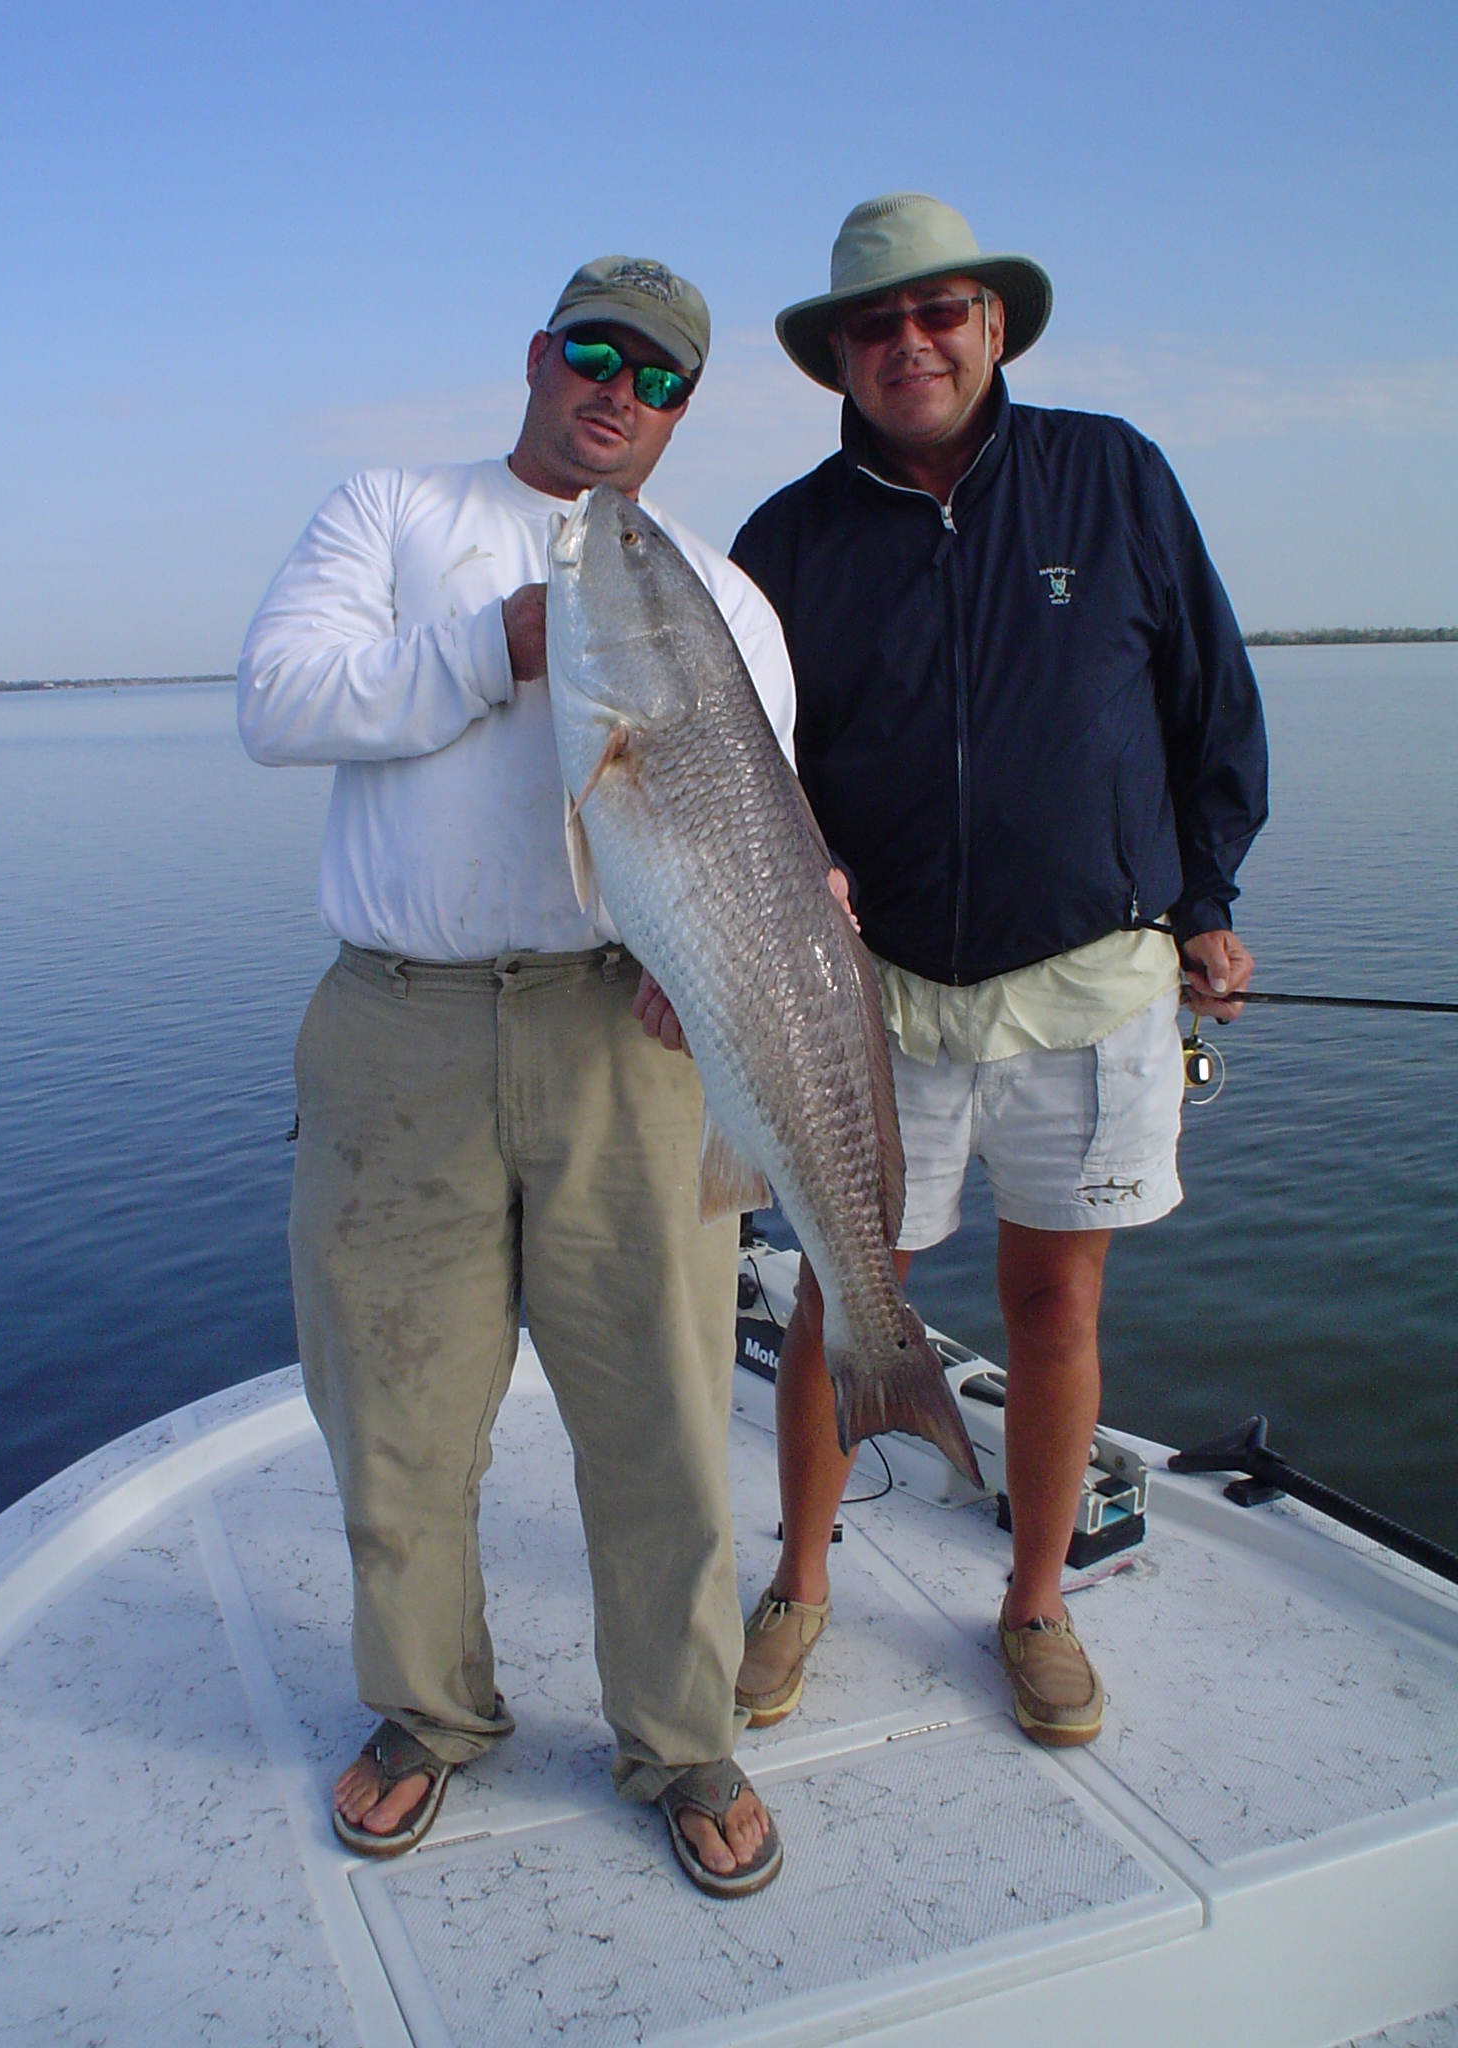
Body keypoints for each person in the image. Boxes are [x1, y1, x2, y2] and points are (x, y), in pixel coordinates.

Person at [236, 254, 795, 1896]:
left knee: (668, 1419)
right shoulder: (393, 513)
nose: (622, 391)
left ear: (685, 412)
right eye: (599, 353)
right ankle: (426, 1716)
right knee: (394, 1407)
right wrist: (501, 645)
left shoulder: (722, 591)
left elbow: (758, 841)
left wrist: (756, 962)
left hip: (629, 1030)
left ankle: (685, 1742)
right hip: (394, 1027)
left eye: (663, 377)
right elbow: (277, 703)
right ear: (542, 354)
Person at [728, 194, 1268, 1747]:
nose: (909, 343)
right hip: (870, 989)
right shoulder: (787, 540)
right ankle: (801, 1584)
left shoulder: (1113, 477)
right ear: (838, 356)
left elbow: (1209, 711)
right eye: (875, 325)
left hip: (1093, 977)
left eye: (939, 312)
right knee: (850, 1287)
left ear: (995, 325)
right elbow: (754, 777)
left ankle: (1033, 1604)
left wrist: (1209, 900)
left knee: (1054, 1298)